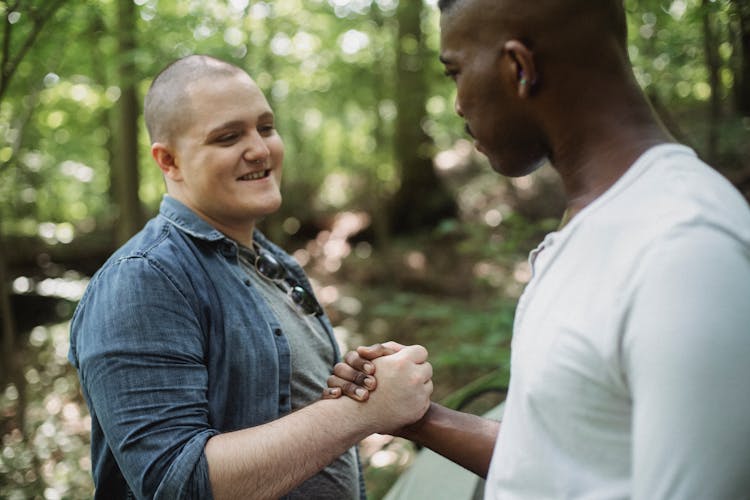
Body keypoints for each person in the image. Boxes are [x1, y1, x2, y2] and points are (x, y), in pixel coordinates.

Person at [326, 0, 750, 498]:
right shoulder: (596, 224)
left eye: (456, 72)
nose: (458, 104)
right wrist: (416, 419)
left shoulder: (683, 249)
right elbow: (559, 460)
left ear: (519, 68)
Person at [68, 54, 433, 500]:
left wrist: (356, 389)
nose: (260, 149)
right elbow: (175, 484)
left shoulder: (272, 262)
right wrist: (362, 414)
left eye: (265, 127)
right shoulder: (144, 280)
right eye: (228, 137)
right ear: (169, 161)